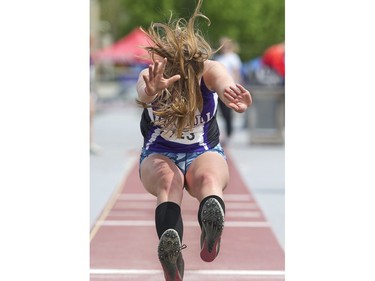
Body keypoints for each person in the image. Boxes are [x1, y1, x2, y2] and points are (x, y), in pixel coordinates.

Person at [135, 0, 252, 280]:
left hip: (202, 149)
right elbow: (142, 93)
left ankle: (202, 227)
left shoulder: (208, 69)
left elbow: (224, 83)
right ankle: (172, 250)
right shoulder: (152, 75)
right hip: (159, 153)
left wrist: (230, 95)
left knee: (179, 184)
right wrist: (150, 92)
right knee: (174, 181)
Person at [215, 37, 243, 145]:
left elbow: (236, 73)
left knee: (227, 112)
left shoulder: (233, 57)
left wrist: (235, 87)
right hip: (217, 89)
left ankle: (229, 133)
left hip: (229, 88)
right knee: (216, 111)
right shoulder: (219, 57)